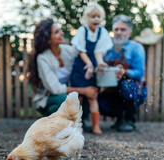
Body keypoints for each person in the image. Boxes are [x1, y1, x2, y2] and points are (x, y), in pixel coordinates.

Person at [28, 19, 98, 118]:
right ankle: (50, 118)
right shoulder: (42, 58)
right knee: (68, 100)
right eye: (56, 32)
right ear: (48, 39)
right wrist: (84, 90)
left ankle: (79, 121)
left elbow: (83, 52)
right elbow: (55, 89)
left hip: (68, 94)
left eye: (59, 30)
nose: (62, 33)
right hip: (50, 98)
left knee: (80, 96)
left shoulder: (67, 50)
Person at [98, 14, 146, 132]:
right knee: (99, 102)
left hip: (133, 89)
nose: (119, 32)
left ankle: (130, 120)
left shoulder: (136, 48)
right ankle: (120, 118)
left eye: (123, 29)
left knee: (126, 85)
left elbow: (139, 73)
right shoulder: (107, 49)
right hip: (111, 89)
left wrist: (124, 72)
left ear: (129, 32)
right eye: (116, 29)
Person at [70, 3, 113, 135]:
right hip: (80, 67)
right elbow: (81, 52)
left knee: (93, 97)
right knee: (79, 98)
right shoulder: (82, 31)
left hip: (93, 67)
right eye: (93, 17)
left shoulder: (102, 32)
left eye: (98, 16)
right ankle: (77, 126)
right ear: (86, 18)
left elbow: (98, 52)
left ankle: (96, 125)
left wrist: (99, 63)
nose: (96, 19)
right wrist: (88, 64)